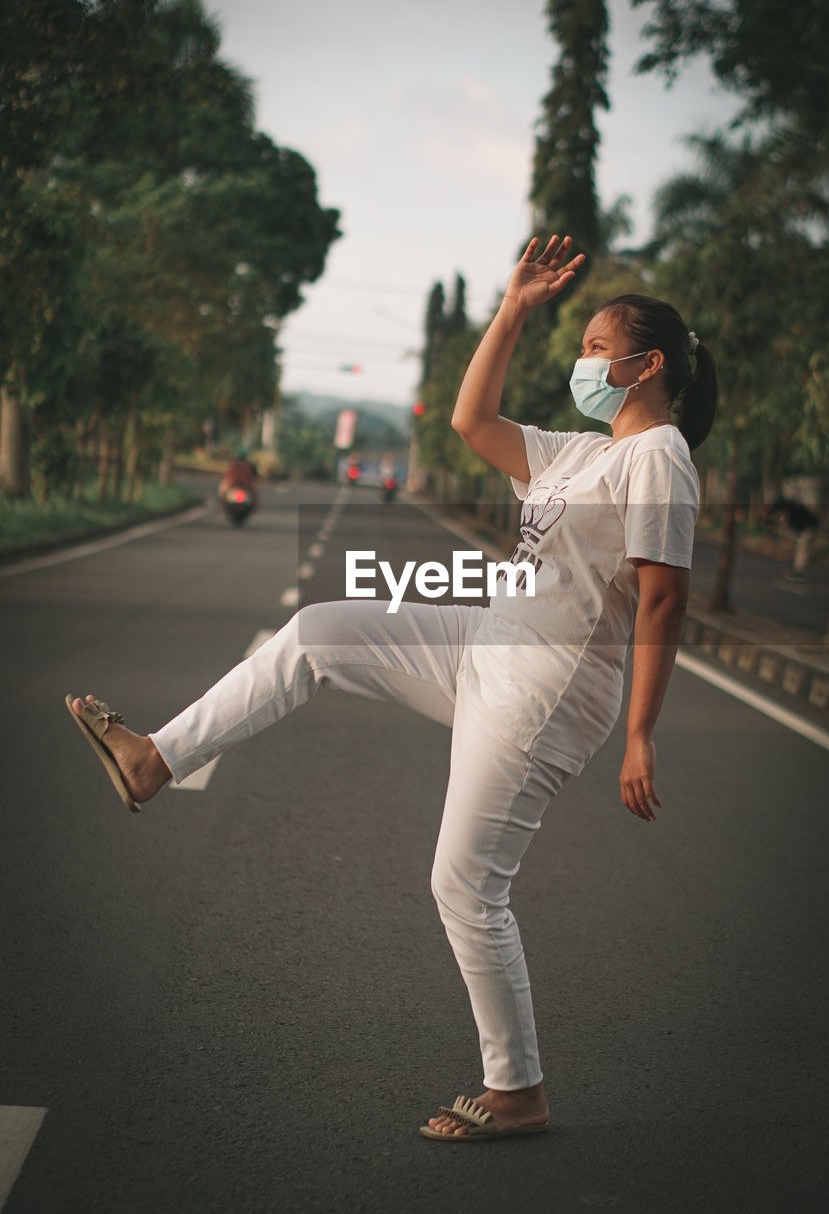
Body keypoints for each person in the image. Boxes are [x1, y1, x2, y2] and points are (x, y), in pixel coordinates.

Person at [66, 234, 717, 1142]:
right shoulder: (578, 453)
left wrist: (642, 734)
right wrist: (515, 309)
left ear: (647, 366)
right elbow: (470, 423)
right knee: (318, 631)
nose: (583, 363)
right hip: (487, 641)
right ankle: (153, 761)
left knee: (464, 885)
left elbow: (665, 597)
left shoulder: (660, 458)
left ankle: (518, 1090)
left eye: (598, 349)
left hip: (546, 687)